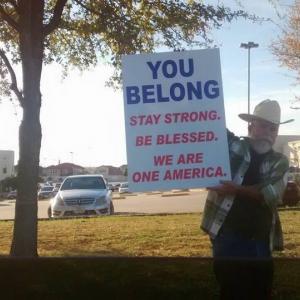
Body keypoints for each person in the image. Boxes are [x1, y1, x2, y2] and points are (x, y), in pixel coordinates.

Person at [201, 99, 294, 299]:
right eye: (263, 126)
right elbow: (207, 123)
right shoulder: (233, 145)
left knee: (260, 290)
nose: (269, 132)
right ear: (251, 126)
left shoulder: (280, 161)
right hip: (227, 236)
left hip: (261, 239)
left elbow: (271, 194)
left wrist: (236, 190)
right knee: (230, 290)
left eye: (273, 128)